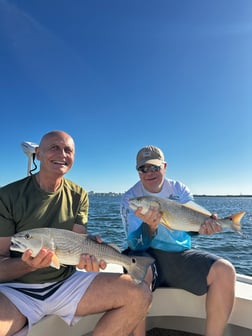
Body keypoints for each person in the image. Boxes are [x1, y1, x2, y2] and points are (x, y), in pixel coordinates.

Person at [0, 131, 152, 336]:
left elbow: (78, 243)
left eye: (68, 150)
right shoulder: (7, 196)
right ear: (37, 153)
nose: (61, 154)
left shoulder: (79, 194)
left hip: (67, 283)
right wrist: (26, 265)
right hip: (17, 291)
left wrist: (89, 258)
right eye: (54, 147)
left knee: (140, 293)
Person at [120, 145, 236, 336]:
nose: (149, 173)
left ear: (164, 166)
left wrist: (204, 228)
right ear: (137, 171)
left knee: (225, 271)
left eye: (155, 167)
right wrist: (149, 227)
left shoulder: (179, 189)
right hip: (146, 253)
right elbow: (135, 245)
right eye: (143, 168)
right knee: (140, 271)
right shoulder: (131, 198)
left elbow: (190, 227)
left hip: (179, 254)